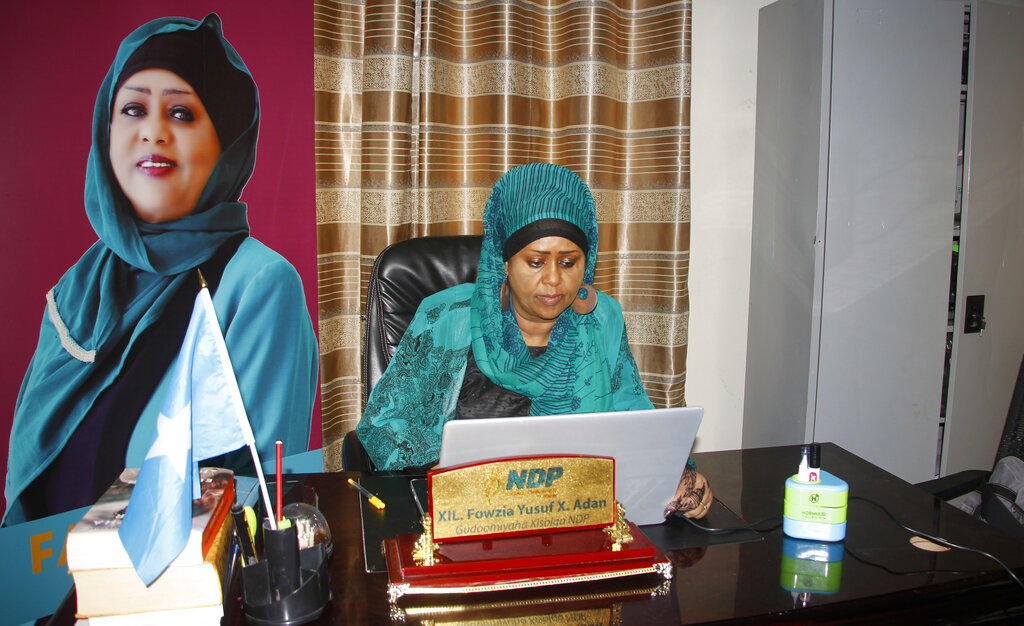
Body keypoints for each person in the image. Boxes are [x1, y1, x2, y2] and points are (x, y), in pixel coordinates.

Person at [3, 14, 318, 525]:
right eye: (132, 109)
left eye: (181, 113)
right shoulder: (76, 295)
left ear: (226, 144)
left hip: (169, 597)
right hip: (42, 593)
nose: (153, 132)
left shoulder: (257, 285)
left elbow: (244, 498)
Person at [356, 163, 712, 519]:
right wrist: (445, 467)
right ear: (505, 262)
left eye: (569, 262)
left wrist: (677, 472)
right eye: (536, 262)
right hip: (470, 515)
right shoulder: (449, 317)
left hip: (576, 512)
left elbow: (633, 415)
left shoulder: (601, 319)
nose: (554, 280)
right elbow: (383, 426)